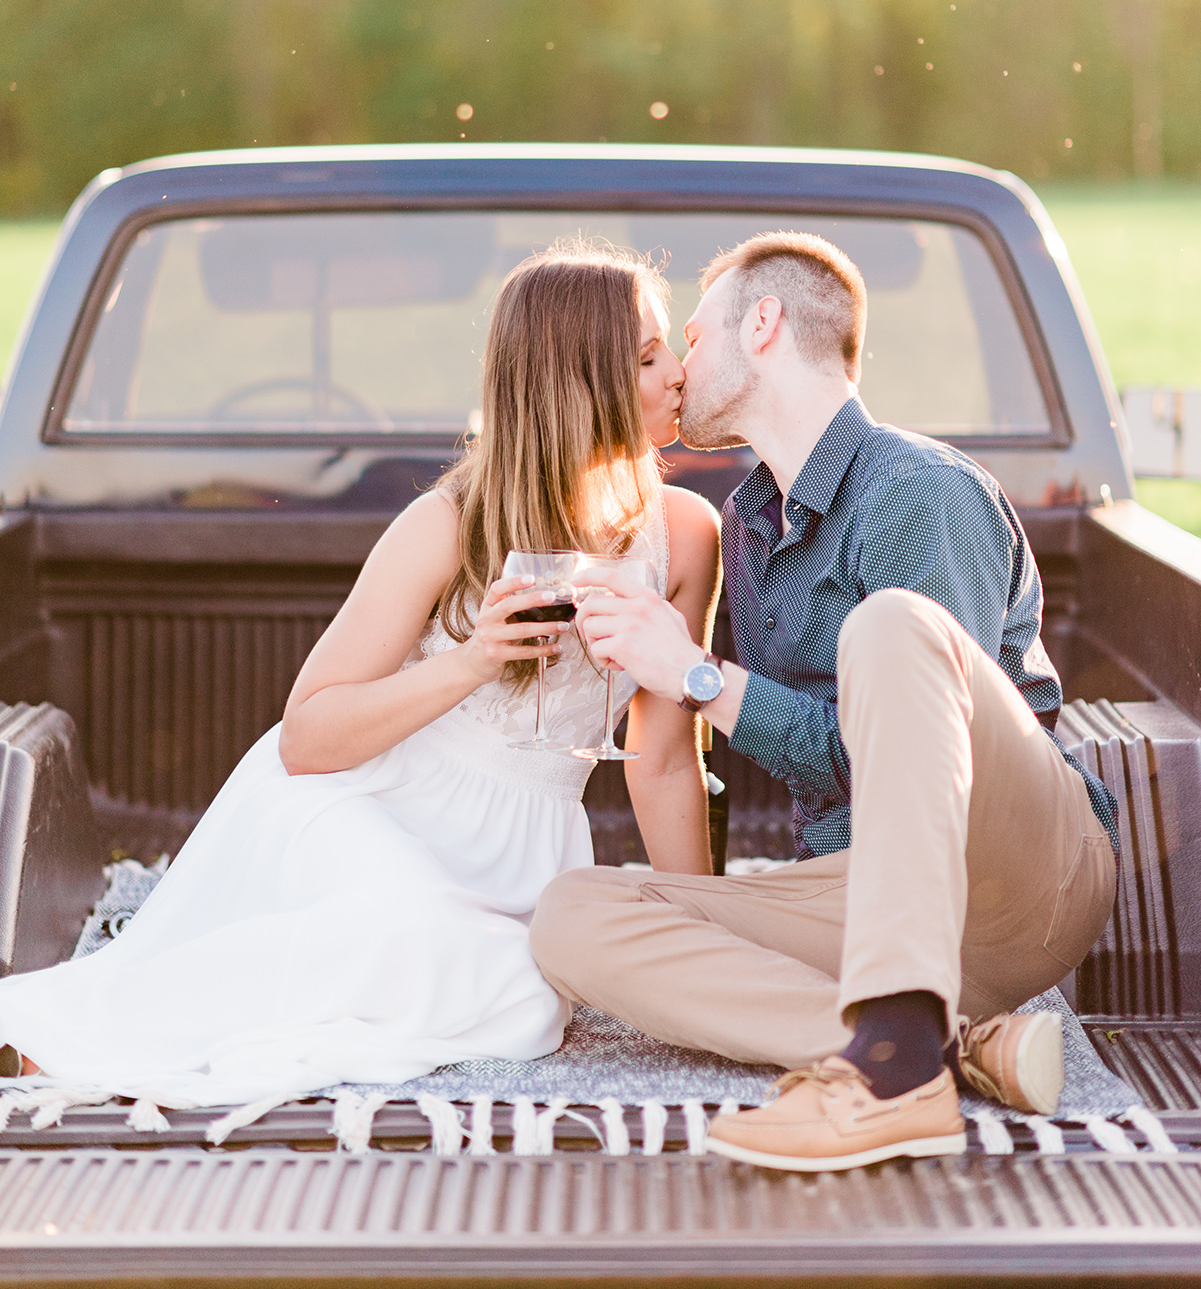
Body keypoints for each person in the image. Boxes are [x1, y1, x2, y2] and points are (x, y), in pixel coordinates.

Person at [0, 243, 720, 1118]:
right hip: (362, 802)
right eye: (647, 358)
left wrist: (705, 940)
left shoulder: (685, 535)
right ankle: (41, 1037)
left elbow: (663, 762)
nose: (678, 372)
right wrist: (473, 660)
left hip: (527, 840)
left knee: (528, 1004)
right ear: (579, 384)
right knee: (407, 931)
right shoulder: (449, 526)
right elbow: (307, 741)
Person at [531, 230, 1119, 1173]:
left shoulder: (914, 491)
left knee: (890, 626)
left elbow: (921, 762)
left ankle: (892, 1066)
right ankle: (939, 1052)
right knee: (570, 913)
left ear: (761, 324)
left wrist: (695, 675)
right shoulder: (747, 522)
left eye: (692, 334)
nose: (678, 369)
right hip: (859, 894)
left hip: (1010, 877)